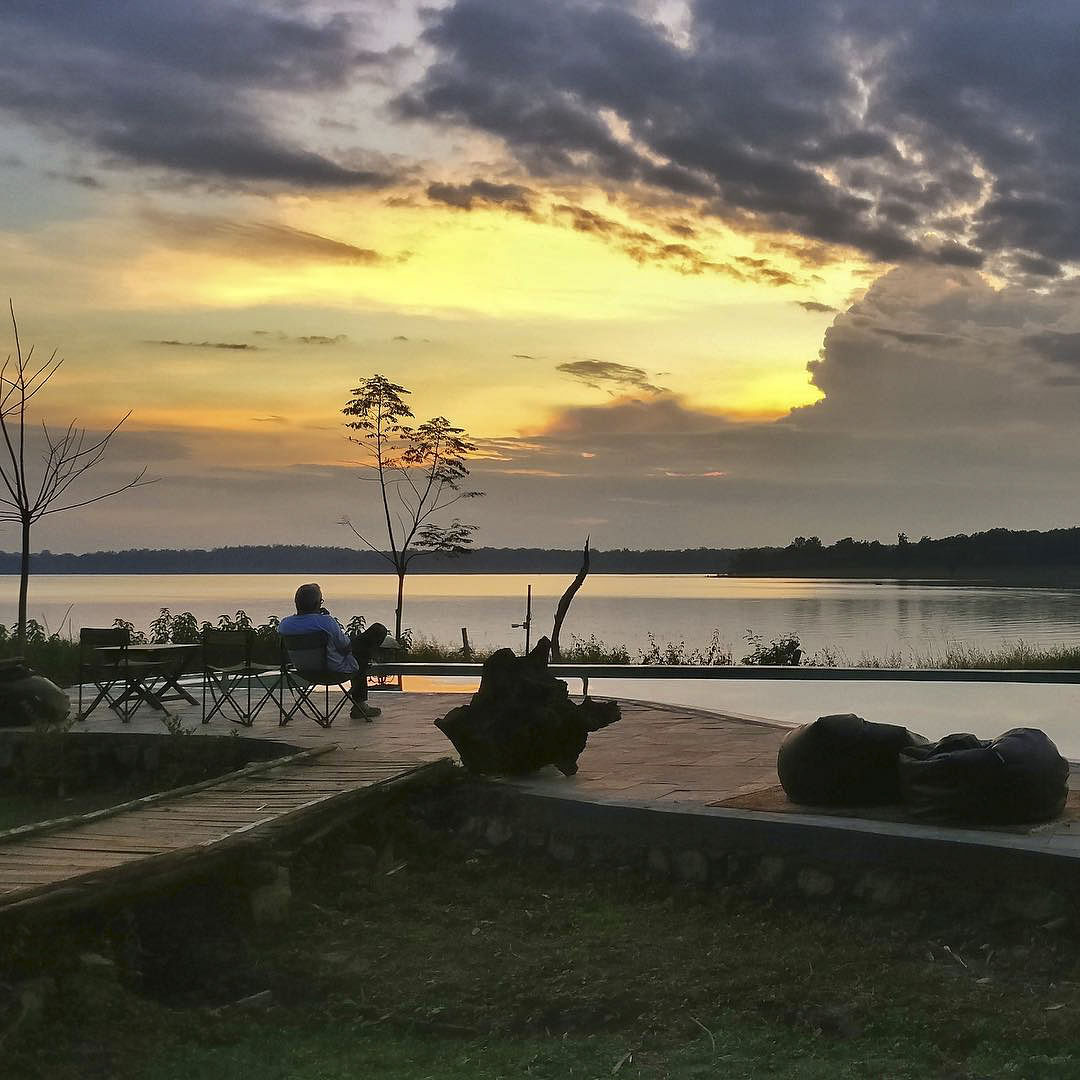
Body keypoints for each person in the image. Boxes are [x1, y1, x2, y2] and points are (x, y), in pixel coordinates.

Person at [278, 583, 390, 720]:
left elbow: (304, 622)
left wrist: (317, 616)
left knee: (360, 656)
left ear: (297, 603)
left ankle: (360, 703)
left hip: (304, 672)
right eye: (320, 601)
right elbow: (346, 647)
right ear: (317, 603)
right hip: (333, 671)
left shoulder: (285, 624)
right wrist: (323, 619)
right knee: (375, 633)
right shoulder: (326, 622)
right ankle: (360, 705)